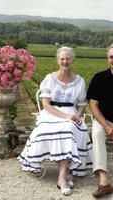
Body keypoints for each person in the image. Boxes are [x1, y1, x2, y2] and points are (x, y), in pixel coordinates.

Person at [18, 46, 93, 196]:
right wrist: (67, 117)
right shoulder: (49, 79)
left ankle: (62, 177)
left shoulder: (79, 81)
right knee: (60, 130)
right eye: (62, 59)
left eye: (68, 59)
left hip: (71, 113)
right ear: (58, 60)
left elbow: (82, 105)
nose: (65, 61)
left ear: (73, 60)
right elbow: (46, 105)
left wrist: (77, 116)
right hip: (51, 113)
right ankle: (65, 176)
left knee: (69, 129)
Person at [87, 44, 113, 198]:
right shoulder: (99, 78)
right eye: (112, 57)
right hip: (103, 120)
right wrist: (106, 126)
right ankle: (104, 182)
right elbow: (92, 104)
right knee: (96, 134)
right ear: (107, 59)